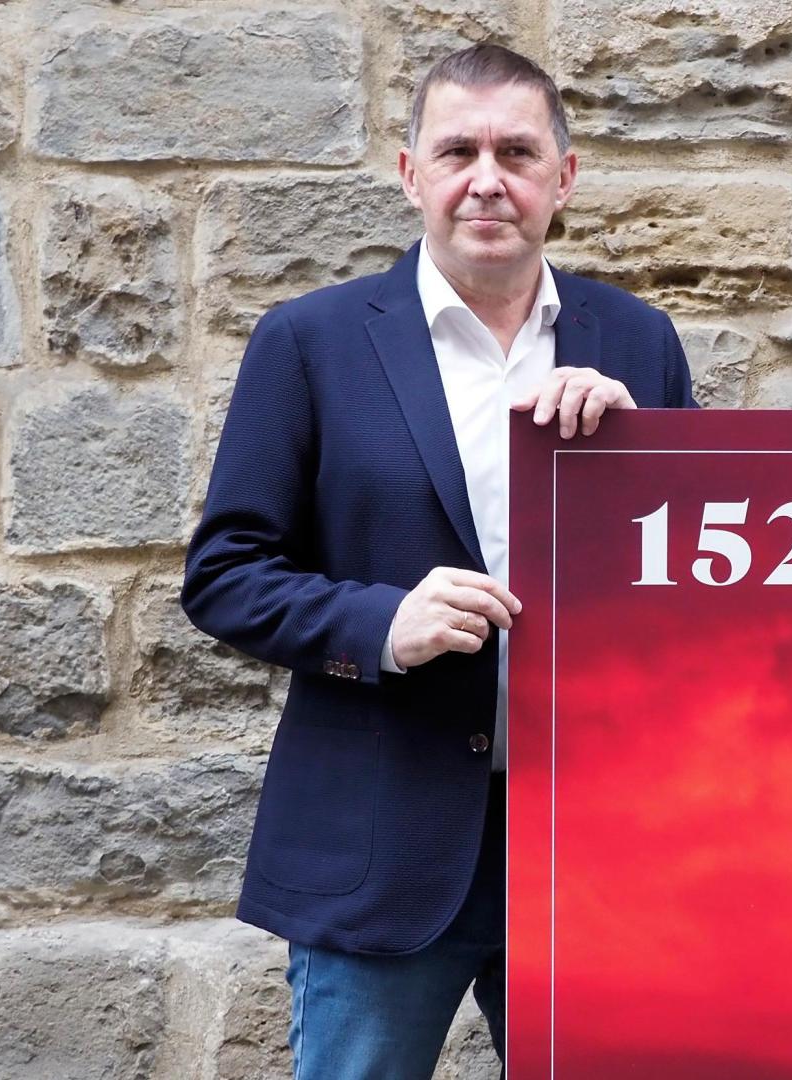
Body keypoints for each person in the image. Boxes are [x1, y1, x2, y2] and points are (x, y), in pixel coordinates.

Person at [182, 43, 695, 1077]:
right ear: (411, 173)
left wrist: (640, 456)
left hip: (591, 846)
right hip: (382, 844)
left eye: (517, 152)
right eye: (458, 152)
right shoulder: (309, 341)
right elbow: (225, 574)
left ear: (564, 176)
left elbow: (703, 583)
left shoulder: (638, 344)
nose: (487, 180)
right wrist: (382, 625)